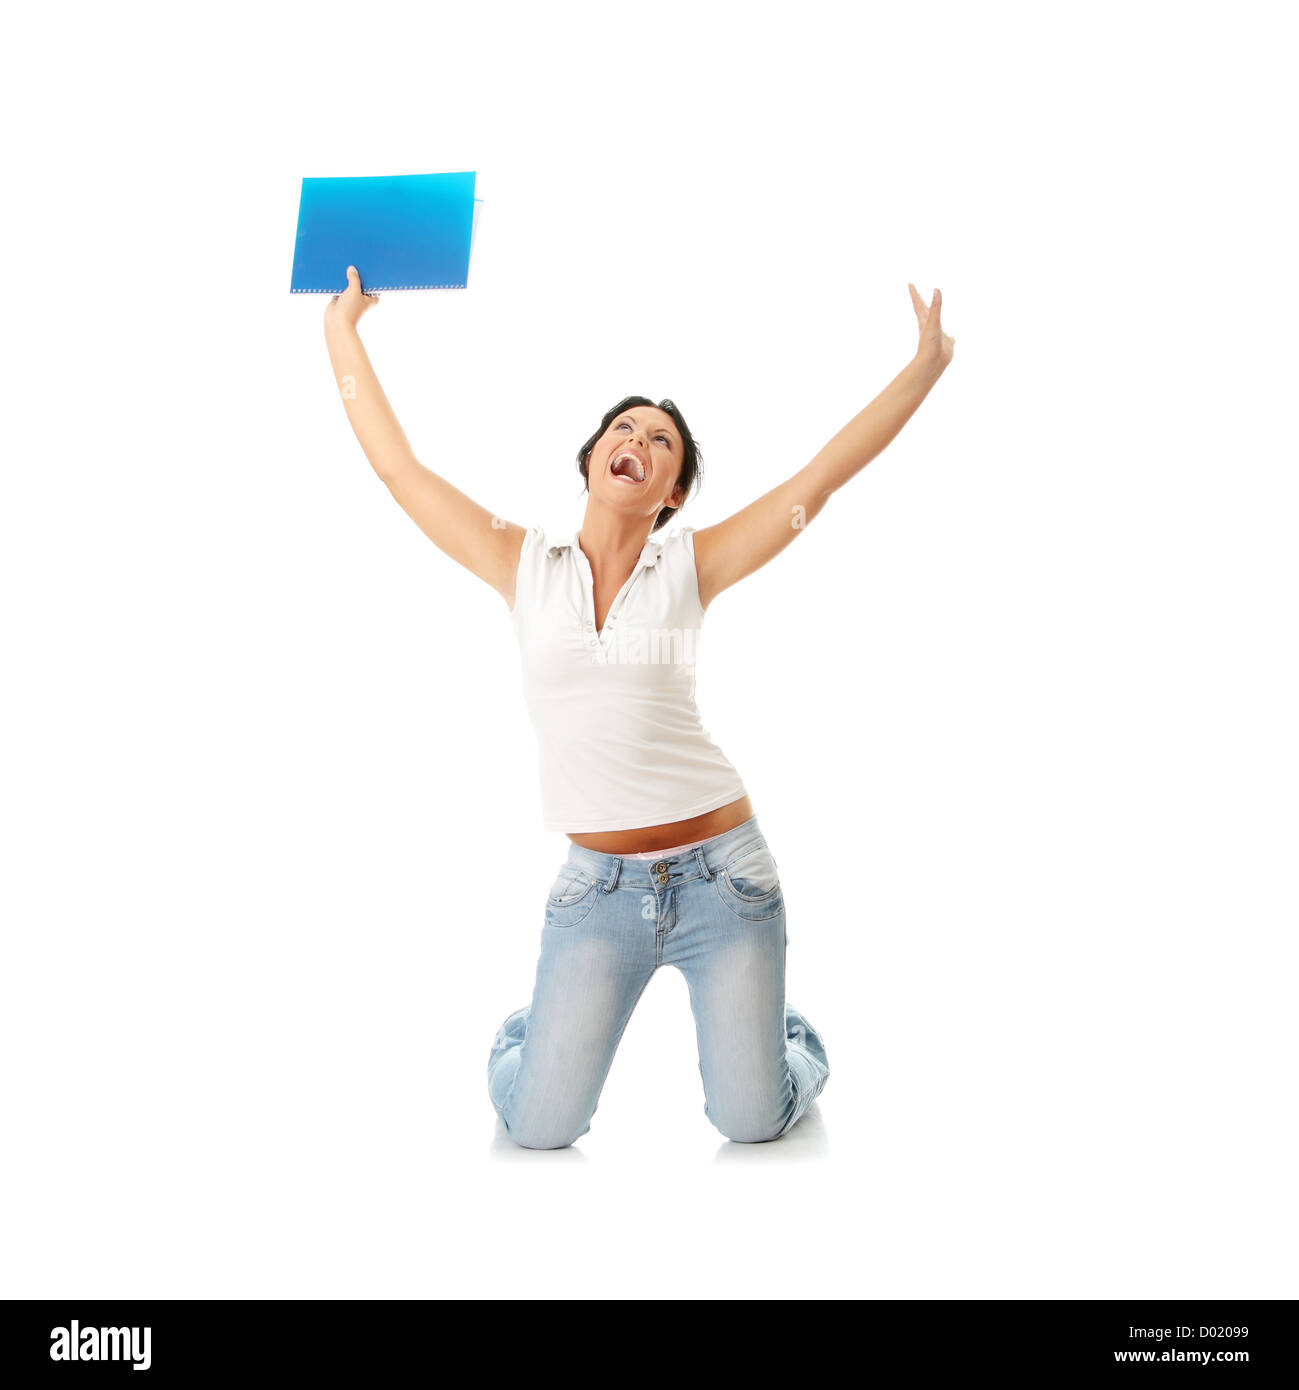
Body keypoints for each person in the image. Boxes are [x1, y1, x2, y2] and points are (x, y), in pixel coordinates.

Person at [323, 266, 955, 1147]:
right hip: (598, 891)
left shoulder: (690, 565)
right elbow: (398, 470)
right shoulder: (522, 564)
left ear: (673, 492)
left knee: (752, 1120)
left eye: (661, 442)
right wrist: (342, 332)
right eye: (622, 429)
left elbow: (824, 475)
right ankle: (536, 1030)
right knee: (539, 1126)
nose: (638, 441)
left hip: (725, 877)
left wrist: (922, 368)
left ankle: (785, 1031)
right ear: (589, 460)